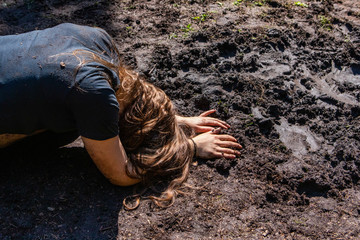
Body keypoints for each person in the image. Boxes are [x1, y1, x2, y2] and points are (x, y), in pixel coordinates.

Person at [0, 23, 242, 207]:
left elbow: (114, 99)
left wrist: (173, 120)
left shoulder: (98, 40)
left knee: (63, 120)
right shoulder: (92, 95)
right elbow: (120, 175)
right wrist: (188, 147)